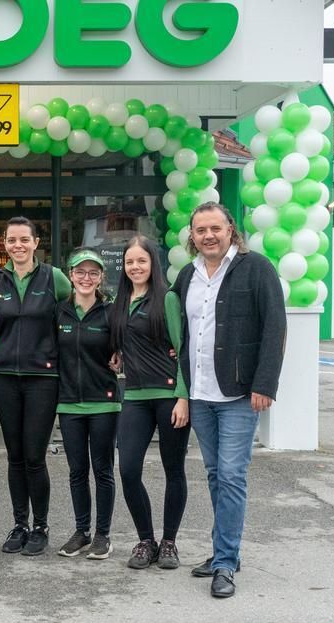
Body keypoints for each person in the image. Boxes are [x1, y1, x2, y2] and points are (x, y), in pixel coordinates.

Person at [172, 202, 286, 598]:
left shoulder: (256, 269)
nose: (208, 235)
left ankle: (224, 563)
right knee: (216, 474)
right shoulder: (187, 276)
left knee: (233, 476)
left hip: (239, 392)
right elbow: (179, 333)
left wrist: (265, 383)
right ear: (192, 235)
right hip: (201, 394)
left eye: (215, 228)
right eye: (200, 229)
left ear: (230, 230)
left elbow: (275, 327)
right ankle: (226, 552)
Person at [0, 217, 73, 556]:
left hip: (43, 377)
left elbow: (81, 307)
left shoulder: (54, 278)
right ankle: (19, 524)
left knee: (34, 456)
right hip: (6, 377)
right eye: (12, 240)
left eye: (25, 239)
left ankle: (41, 526)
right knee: (14, 456)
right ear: (5, 244)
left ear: (37, 243)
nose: (18, 245)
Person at [109, 235, 190, 570]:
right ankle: (146, 540)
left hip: (170, 396)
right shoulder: (121, 301)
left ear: (153, 264)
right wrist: (118, 358)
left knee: (174, 469)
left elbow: (182, 348)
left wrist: (183, 397)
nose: (135, 267)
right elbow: (123, 343)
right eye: (130, 262)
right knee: (128, 469)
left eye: (141, 261)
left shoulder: (167, 299)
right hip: (136, 397)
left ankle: (169, 542)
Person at [53, 249, 121, 561]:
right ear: (71, 275)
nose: (86, 278)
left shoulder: (111, 312)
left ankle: (103, 535)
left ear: (101, 278)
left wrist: (122, 358)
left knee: (103, 470)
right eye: (80, 272)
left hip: (104, 403)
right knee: (77, 471)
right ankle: (82, 531)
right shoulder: (59, 312)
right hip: (69, 404)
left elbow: (129, 345)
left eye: (93, 273)